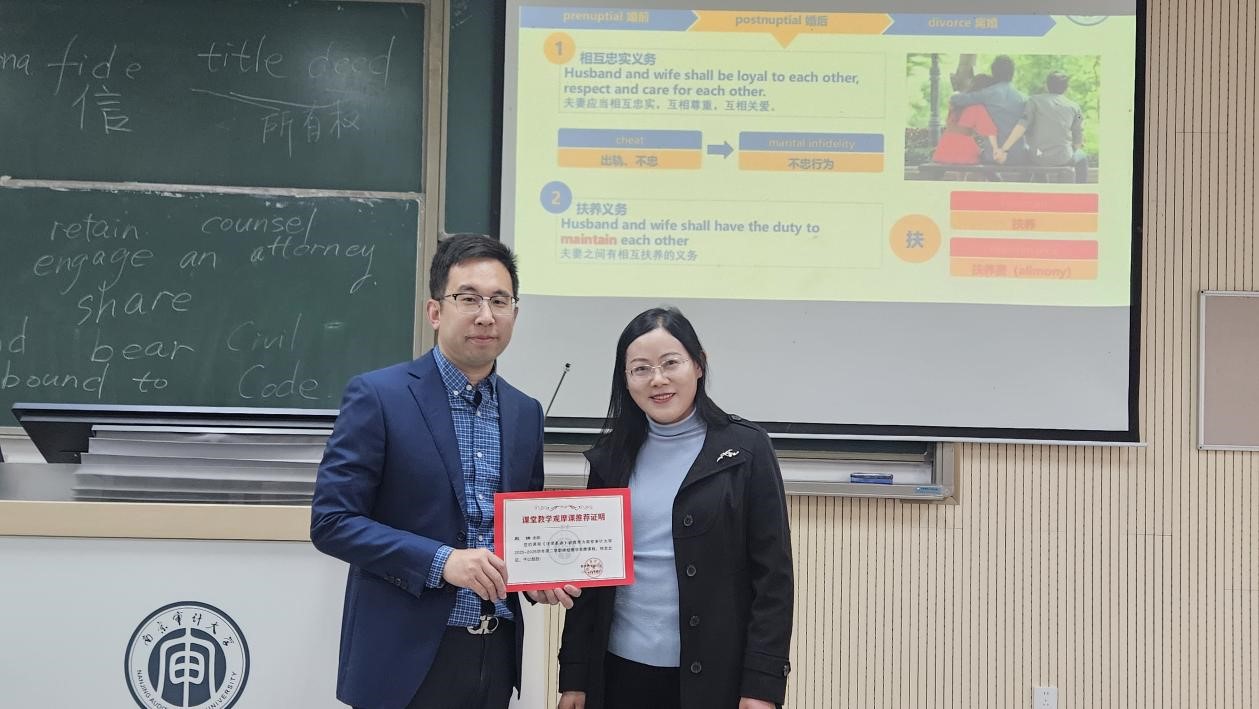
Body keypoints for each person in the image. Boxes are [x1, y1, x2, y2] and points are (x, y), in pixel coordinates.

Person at [311, 233, 577, 709]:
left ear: (514, 313)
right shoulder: (378, 397)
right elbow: (332, 522)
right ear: (435, 312)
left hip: (493, 656)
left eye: (500, 300)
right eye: (468, 298)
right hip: (402, 663)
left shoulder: (526, 412)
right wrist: (442, 561)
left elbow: (520, 532)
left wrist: (537, 575)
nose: (486, 315)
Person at [557, 307, 794, 709]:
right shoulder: (611, 457)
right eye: (641, 369)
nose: (658, 379)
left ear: (699, 365)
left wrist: (761, 687)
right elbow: (591, 578)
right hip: (618, 673)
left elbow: (773, 580)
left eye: (671, 363)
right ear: (626, 379)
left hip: (714, 677)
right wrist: (575, 677)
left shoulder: (746, 450)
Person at [995, 70, 1090, 183]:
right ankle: (1081, 189)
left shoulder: (1033, 101)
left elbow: (1022, 125)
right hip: (1063, 158)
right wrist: (1072, 148)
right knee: (1082, 157)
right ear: (1066, 88)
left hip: (1037, 156)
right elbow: (1078, 133)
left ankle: (1025, 188)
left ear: (1046, 86)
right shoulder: (1076, 107)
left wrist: (1004, 149)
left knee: (1029, 155)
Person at [949, 55, 1029, 165]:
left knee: (978, 157)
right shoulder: (1023, 98)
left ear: (994, 73)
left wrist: (957, 92)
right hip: (1018, 155)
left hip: (992, 155)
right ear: (1012, 74)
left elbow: (956, 99)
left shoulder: (987, 94)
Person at [932, 74, 1001, 165]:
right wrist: (996, 149)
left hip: (944, 148)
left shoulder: (956, 103)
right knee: (984, 160)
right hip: (963, 149)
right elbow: (989, 131)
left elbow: (949, 122)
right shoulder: (977, 107)